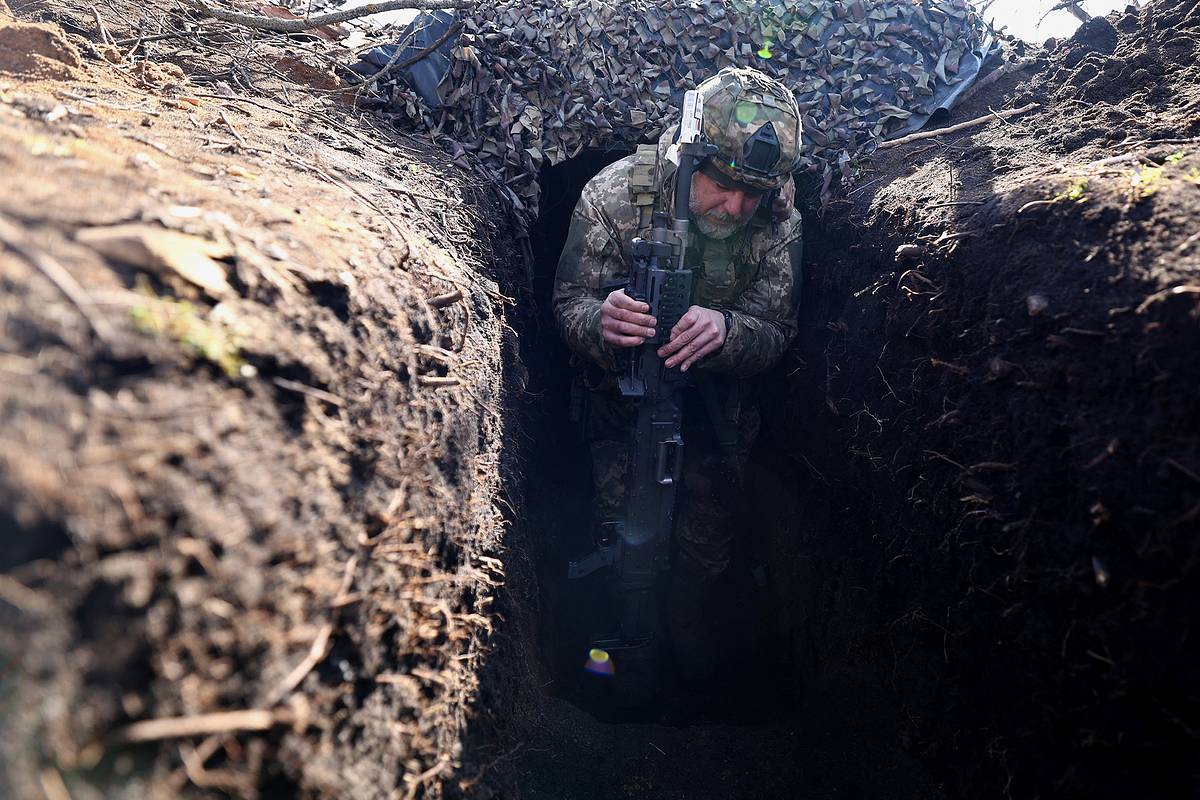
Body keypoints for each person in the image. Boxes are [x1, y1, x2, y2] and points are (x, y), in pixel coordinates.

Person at [552, 66, 804, 683]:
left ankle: (690, 639)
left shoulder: (777, 222)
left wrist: (727, 329)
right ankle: (627, 651)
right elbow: (567, 303)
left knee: (707, 546)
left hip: (718, 419)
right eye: (722, 185)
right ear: (690, 159)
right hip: (625, 409)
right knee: (623, 533)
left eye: (754, 193)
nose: (736, 206)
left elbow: (777, 332)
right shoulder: (615, 197)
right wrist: (601, 323)